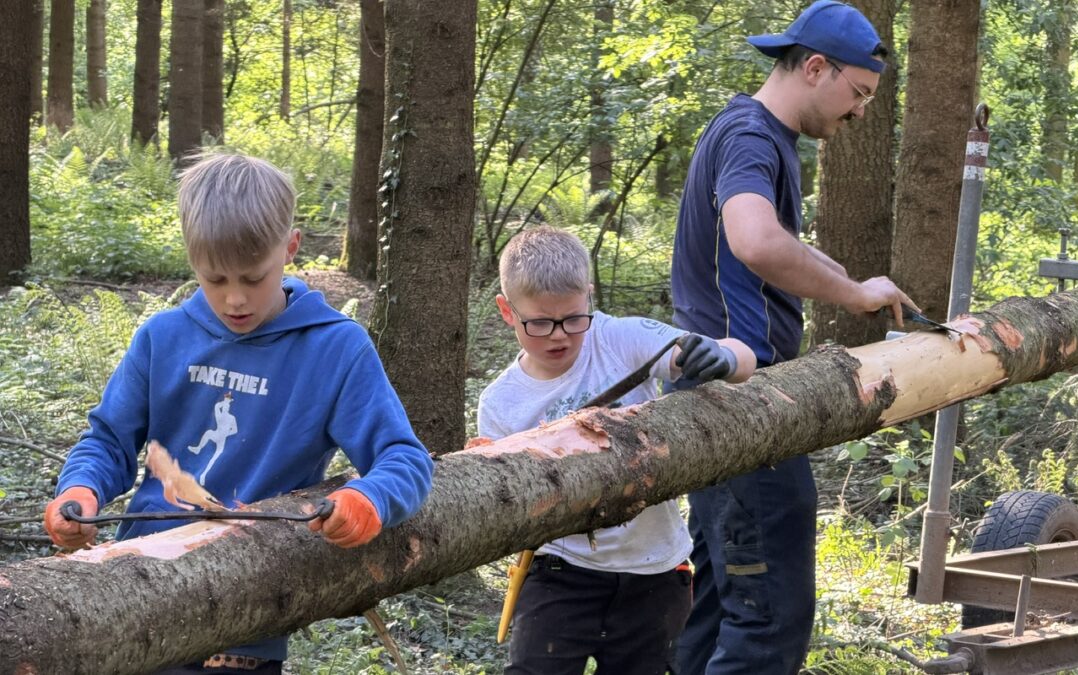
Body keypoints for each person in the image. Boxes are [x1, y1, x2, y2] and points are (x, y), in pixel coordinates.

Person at [42, 152, 435, 674]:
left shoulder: (337, 349)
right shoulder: (163, 337)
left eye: (253, 278)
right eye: (215, 279)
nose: (234, 299)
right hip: (137, 594)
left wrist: (368, 500)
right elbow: (109, 442)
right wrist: (80, 490)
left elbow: (403, 458)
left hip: (248, 611)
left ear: (290, 247)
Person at [668, 2, 916, 673]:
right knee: (770, 620)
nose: (860, 112)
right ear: (814, 67)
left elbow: (778, 246)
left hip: (719, 392)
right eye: (857, 94)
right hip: (739, 398)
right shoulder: (752, 136)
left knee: (717, 606)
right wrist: (853, 292)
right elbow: (755, 239)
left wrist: (861, 282)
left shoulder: (752, 134)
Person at [478, 225, 757, 675]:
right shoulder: (501, 403)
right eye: (539, 323)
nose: (559, 336)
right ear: (507, 312)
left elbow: (743, 357)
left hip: (654, 571)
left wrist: (724, 357)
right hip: (559, 572)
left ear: (589, 298)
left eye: (573, 318)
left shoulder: (619, 338)